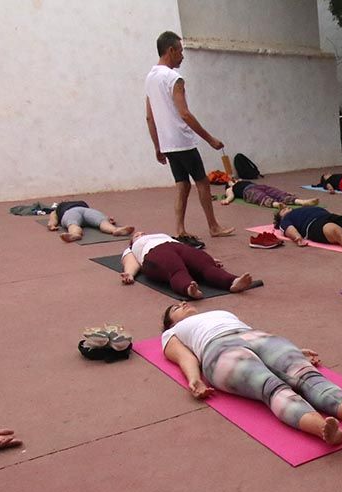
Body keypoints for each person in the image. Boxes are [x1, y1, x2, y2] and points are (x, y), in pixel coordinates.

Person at [160, 303, 342, 445]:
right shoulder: (172, 333)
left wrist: (296, 350)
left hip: (255, 336)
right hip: (216, 349)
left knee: (304, 372)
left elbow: (253, 332)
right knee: (271, 386)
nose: (182, 304)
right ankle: (321, 428)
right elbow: (185, 357)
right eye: (176, 308)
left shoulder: (220, 312)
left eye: (182, 302)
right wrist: (194, 379)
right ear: (171, 323)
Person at [144, 31, 234, 246]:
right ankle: (213, 226)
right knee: (202, 182)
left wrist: (157, 146)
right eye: (181, 51)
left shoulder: (150, 78)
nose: (183, 56)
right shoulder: (174, 79)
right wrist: (210, 139)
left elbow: (149, 117)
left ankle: (179, 229)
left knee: (182, 184)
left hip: (167, 143)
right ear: (171, 51)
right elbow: (184, 113)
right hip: (182, 140)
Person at [120, 231, 254, 299]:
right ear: (132, 242)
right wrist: (130, 274)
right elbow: (130, 261)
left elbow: (190, 252)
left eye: (143, 233)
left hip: (177, 246)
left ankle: (233, 282)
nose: (141, 234)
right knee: (175, 269)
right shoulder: (133, 248)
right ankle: (189, 289)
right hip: (154, 253)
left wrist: (209, 258)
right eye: (137, 235)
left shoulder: (163, 235)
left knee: (205, 265)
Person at [46, 200, 134, 243]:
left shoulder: (60, 207)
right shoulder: (58, 209)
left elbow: (53, 217)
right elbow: (53, 216)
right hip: (82, 210)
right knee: (101, 221)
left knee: (73, 223)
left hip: (77, 211)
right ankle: (114, 230)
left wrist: (51, 224)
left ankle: (75, 234)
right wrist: (51, 224)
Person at [217, 178, 318, 209]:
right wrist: (226, 200)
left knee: (276, 193)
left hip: (258, 186)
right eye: (231, 180)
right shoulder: (230, 188)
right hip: (247, 192)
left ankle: (301, 202)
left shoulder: (241, 181)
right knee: (261, 197)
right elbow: (231, 195)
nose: (233, 180)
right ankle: (276, 204)